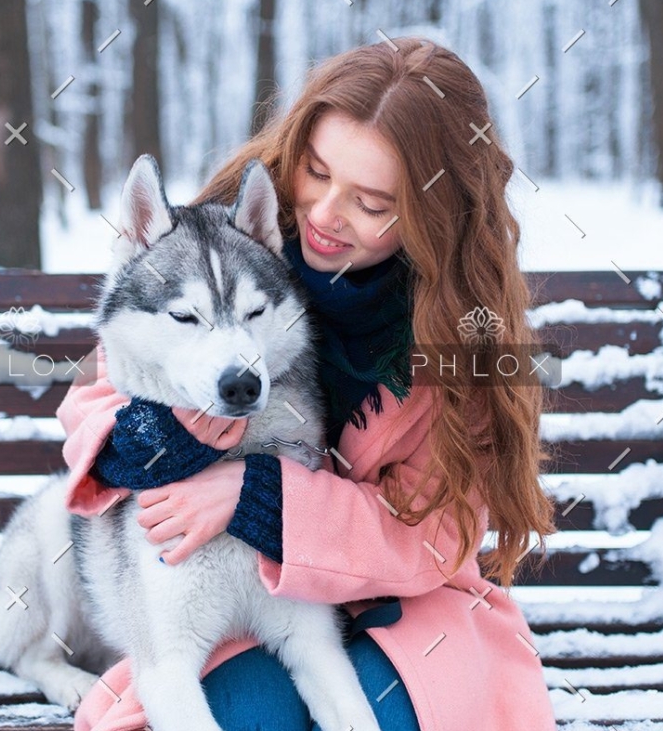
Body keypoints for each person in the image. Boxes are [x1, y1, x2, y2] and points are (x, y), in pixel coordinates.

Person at [55, 36, 559, 731]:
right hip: (237, 599)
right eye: (317, 172)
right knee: (251, 716)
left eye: (372, 201)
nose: (323, 214)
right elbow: (102, 388)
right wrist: (156, 437)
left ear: (429, 215)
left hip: (401, 606)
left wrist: (260, 495)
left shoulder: (458, 330)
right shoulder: (226, 234)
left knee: (388, 713)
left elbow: (438, 533)